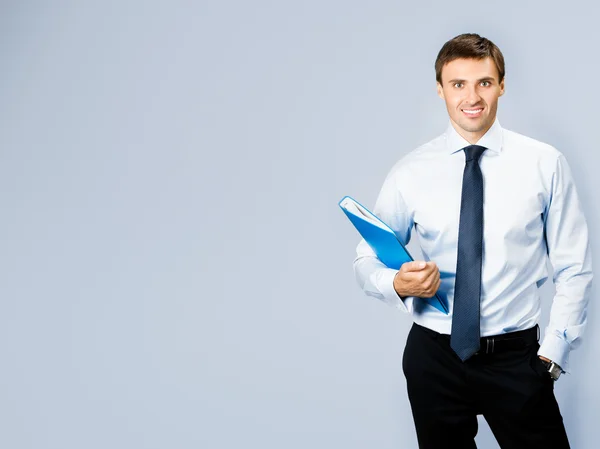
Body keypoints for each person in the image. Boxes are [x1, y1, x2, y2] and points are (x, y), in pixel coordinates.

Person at [352, 33, 592, 449]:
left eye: (484, 82)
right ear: (441, 90)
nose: (472, 96)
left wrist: (553, 355)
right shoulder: (411, 171)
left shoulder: (544, 163)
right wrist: (396, 283)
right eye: (458, 84)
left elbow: (574, 266)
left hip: (516, 359)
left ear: (501, 84)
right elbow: (365, 261)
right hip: (434, 357)